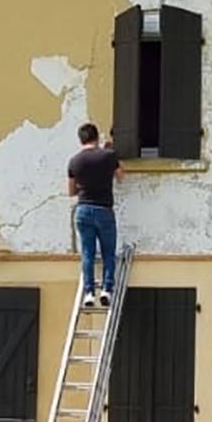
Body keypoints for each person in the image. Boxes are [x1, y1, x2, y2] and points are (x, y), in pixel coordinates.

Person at [66, 123, 121, 307]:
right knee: (108, 253)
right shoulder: (109, 156)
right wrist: (110, 156)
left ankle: (89, 293)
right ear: (97, 137)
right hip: (104, 209)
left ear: (81, 139)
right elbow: (121, 175)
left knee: (88, 253)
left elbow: (71, 191)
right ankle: (106, 289)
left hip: (83, 210)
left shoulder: (74, 162)